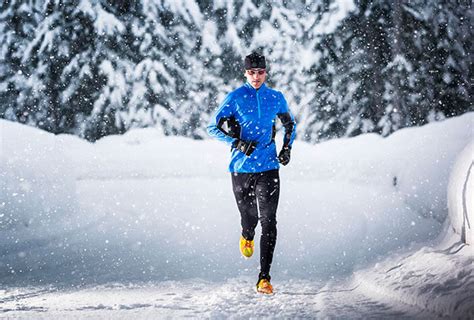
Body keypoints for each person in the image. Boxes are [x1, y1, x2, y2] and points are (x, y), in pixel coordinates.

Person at [207, 52, 296, 294]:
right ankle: (247, 234)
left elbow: (290, 124)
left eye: (260, 72)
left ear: (266, 73)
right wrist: (236, 143)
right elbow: (211, 127)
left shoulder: (275, 98)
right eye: (251, 72)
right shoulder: (235, 98)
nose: (256, 77)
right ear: (245, 73)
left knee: (269, 221)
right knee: (251, 220)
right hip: (241, 168)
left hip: (268, 167)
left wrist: (287, 149)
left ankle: (264, 278)